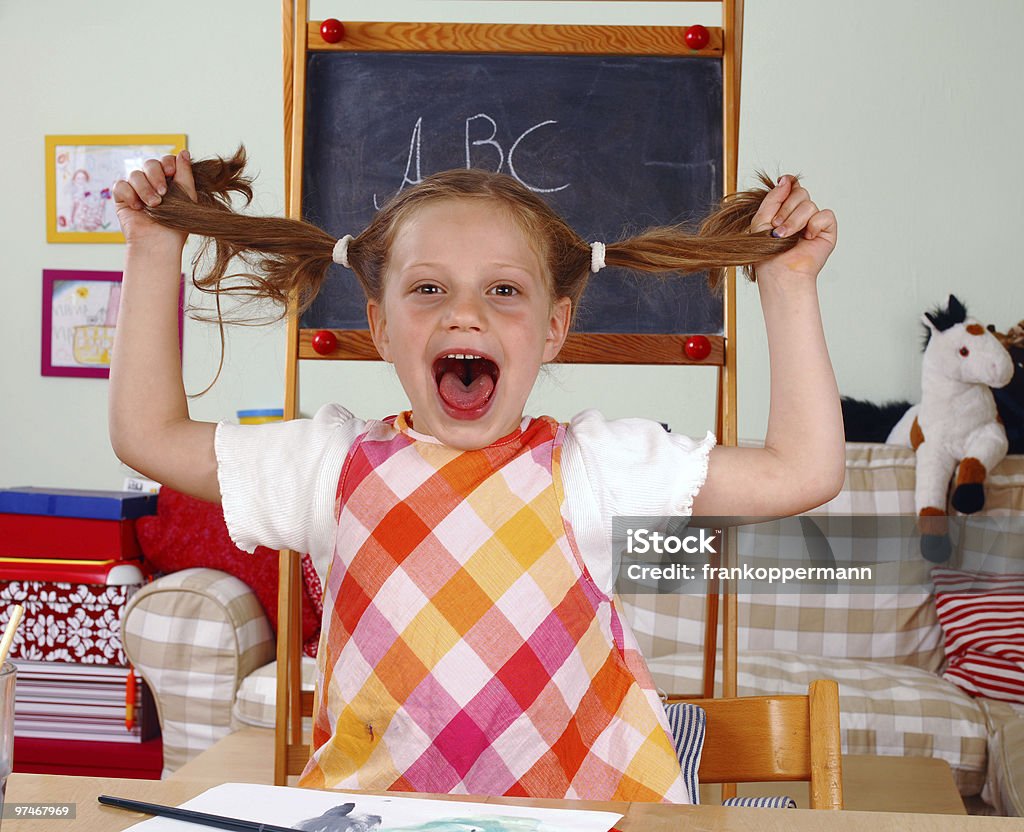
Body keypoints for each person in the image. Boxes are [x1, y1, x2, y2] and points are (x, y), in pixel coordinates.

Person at [109, 148, 842, 803]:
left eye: (503, 291)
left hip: (582, 822)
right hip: (377, 820)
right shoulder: (328, 468)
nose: (464, 313)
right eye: (428, 289)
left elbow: (801, 472)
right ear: (382, 325)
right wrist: (151, 251)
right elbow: (150, 436)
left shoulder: (597, 470)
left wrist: (789, 284)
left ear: (554, 328)